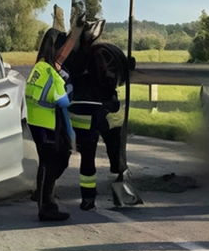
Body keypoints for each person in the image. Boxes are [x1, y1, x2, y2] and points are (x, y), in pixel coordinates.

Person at [65, 29, 130, 210]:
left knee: (87, 159)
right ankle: (118, 171)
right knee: (114, 139)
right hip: (99, 112)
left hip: (80, 116)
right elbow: (112, 94)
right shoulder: (99, 61)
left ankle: (88, 199)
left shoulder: (72, 64)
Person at [25, 28, 78, 221]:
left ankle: (44, 199)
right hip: (46, 124)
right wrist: (69, 88)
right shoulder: (50, 71)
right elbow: (62, 100)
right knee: (52, 163)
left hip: (37, 121)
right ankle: (45, 205)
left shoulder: (39, 67)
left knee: (51, 162)